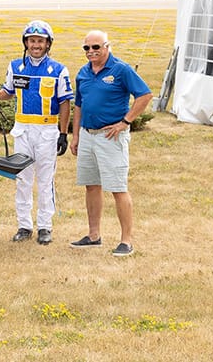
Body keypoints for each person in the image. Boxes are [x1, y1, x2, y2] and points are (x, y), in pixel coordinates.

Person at [0, 20, 73, 245]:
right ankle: (24, 225)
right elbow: (8, 91)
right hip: (23, 131)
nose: (36, 45)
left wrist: (63, 133)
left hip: (47, 132)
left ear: (48, 44)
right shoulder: (15, 67)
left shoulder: (58, 70)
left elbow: (65, 103)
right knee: (22, 179)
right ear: (26, 43)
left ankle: (45, 226)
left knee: (45, 180)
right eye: (32, 41)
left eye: (40, 41)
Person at [69, 30, 153, 257]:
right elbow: (78, 105)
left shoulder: (121, 69)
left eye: (96, 47)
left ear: (107, 46)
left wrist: (125, 122)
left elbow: (144, 95)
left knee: (117, 187)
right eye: (86, 48)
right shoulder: (83, 73)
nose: (91, 52)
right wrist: (75, 136)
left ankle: (126, 241)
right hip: (87, 135)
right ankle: (93, 235)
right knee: (91, 185)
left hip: (111, 137)